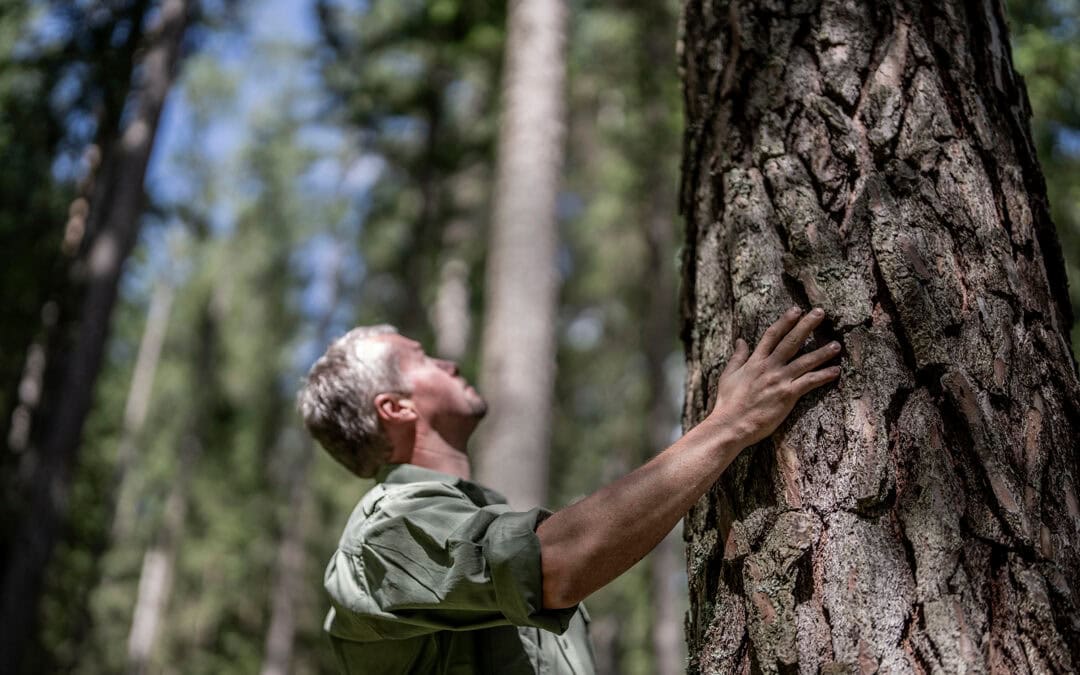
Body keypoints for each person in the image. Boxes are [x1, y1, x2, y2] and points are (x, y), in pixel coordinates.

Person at [297, 306, 842, 674]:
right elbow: (555, 564)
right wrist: (731, 424)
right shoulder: (384, 532)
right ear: (396, 408)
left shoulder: (465, 520)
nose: (449, 361)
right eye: (422, 359)